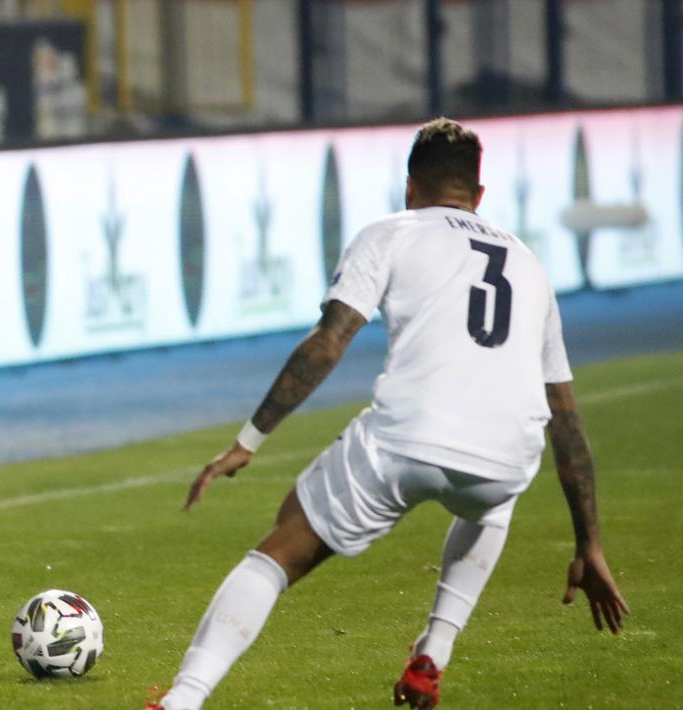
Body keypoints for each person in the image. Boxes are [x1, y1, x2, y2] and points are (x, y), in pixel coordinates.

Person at [149, 118, 629, 710]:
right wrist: (591, 544)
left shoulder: (391, 233)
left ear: (409, 187)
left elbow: (328, 342)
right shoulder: (530, 266)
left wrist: (250, 439)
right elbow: (566, 419)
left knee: (283, 547)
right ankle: (434, 656)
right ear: (479, 196)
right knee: (495, 499)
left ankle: (183, 700)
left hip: (407, 439)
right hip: (507, 457)